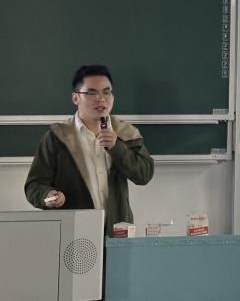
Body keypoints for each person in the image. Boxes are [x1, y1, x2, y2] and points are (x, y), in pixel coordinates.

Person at [24, 65, 155, 231]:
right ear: (75, 98)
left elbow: (144, 175)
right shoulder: (57, 137)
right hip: (73, 231)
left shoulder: (124, 132)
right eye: (92, 93)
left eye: (107, 92)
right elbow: (34, 186)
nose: (101, 99)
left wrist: (117, 147)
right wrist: (48, 196)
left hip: (117, 231)